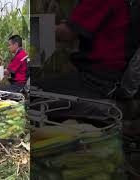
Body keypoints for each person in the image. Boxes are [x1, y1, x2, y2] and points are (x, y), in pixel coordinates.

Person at [30, 0, 140, 178]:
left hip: (99, 81)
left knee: (27, 94)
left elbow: (67, 33)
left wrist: (25, 29)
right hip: (118, 78)